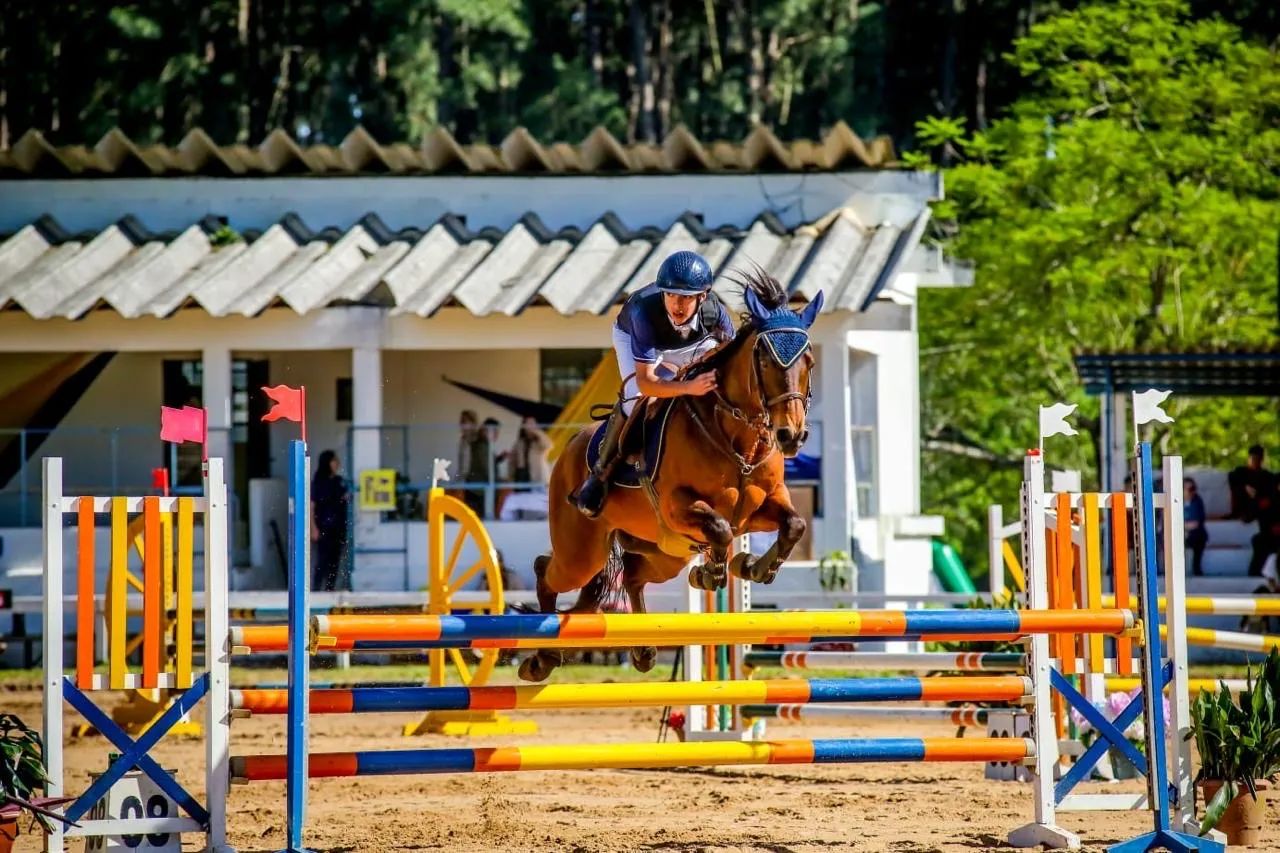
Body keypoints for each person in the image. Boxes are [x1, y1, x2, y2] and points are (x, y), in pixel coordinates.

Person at [573, 250, 734, 518]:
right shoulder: (643, 312)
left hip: (688, 344)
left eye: (685, 297)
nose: (676, 305)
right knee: (635, 395)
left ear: (702, 296)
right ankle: (601, 472)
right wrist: (687, 387)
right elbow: (648, 383)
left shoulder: (715, 313)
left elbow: (731, 359)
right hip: (636, 338)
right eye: (670, 295)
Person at [310, 450, 350, 592]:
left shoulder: (339, 481)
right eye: (334, 460)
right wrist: (313, 528)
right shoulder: (319, 482)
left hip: (338, 527)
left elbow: (344, 499)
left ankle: (329, 589)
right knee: (322, 560)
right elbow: (312, 506)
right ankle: (315, 589)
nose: (337, 463)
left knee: (335, 560)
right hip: (324, 527)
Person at [1227, 445, 1273, 523]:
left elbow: (1270, 491)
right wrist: (1245, 487)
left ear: (1261, 460)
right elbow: (1232, 480)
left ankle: (1249, 514)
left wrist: (1256, 494)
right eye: (1253, 458)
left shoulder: (1266, 475)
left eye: (1258, 459)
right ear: (1249, 458)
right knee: (1238, 489)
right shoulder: (1240, 471)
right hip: (1243, 500)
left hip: (1257, 501)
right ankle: (1243, 514)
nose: (1255, 461)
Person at [456, 410, 490, 517]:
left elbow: (484, 464)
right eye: (461, 421)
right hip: (468, 485)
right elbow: (462, 465)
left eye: (465, 421)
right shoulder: (464, 441)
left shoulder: (480, 441)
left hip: (480, 487)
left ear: (473, 423)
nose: (462, 425)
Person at [507, 416, 552, 486]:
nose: (530, 426)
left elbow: (549, 445)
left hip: (538, 476)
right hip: (522, 476)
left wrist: (537, 432)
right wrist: (511, 477)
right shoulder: (519, 442)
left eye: (532, 423)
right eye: (528, 423)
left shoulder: (539, 440)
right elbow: (512, 461)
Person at [1183, 477, 1208, 576]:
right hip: (1178, 533)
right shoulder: (1175, 500)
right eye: (1188, 489)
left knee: (1200, 537)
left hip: (1193, 534)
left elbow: (1196, 523)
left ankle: (1196, 569)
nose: (1191, 492)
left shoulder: (1197, 501)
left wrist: (1182, 526)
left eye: (1193, 488)